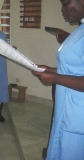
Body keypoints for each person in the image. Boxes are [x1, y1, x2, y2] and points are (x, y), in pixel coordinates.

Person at [32, 0, 84, 159]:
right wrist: (50, 70)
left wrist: (55, 77)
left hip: (78, 113)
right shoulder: (80, 29)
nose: (62, 9)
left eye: (66, 3)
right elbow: (75, 68)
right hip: (67, 107)